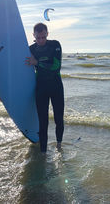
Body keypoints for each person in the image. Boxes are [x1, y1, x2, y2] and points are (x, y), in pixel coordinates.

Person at [25, 23, 64, 153]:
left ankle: (59, 146)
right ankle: (43, 152)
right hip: (41, 88)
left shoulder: (55, 45)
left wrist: (37, 63)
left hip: (56, 86)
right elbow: (18, 69)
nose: (41, 40)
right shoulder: (30, 49)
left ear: (47, 33)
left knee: (59, 118)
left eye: (43, 37)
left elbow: (56, 67)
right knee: (43, 121)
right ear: (33, 36)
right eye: (38, 37)